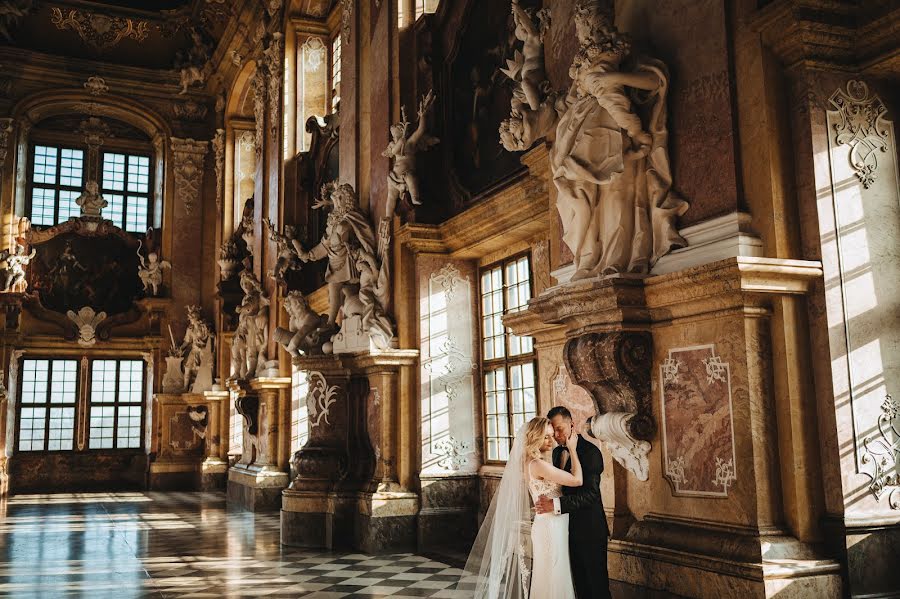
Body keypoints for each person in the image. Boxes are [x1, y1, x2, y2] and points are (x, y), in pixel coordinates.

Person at [458, 416, 582, 598]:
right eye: (546, 437)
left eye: (551, 436)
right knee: (553, 575)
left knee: (550, 575)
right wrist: (572, 449)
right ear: (535, 438)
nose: (551, 440)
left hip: (549, 523)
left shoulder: (529, 462)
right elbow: (577, 480)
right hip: (550, 527)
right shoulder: (537, 464)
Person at [535, 406, 611, 598]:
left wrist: (556, 505)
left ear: (572, 424)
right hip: (564, 529)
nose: (557, 435)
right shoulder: (555, 453)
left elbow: (591, 494)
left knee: (596, 586)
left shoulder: (591, 452)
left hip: (590, 529)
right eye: (554, 430)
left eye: (560, 428)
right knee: (579, 585)